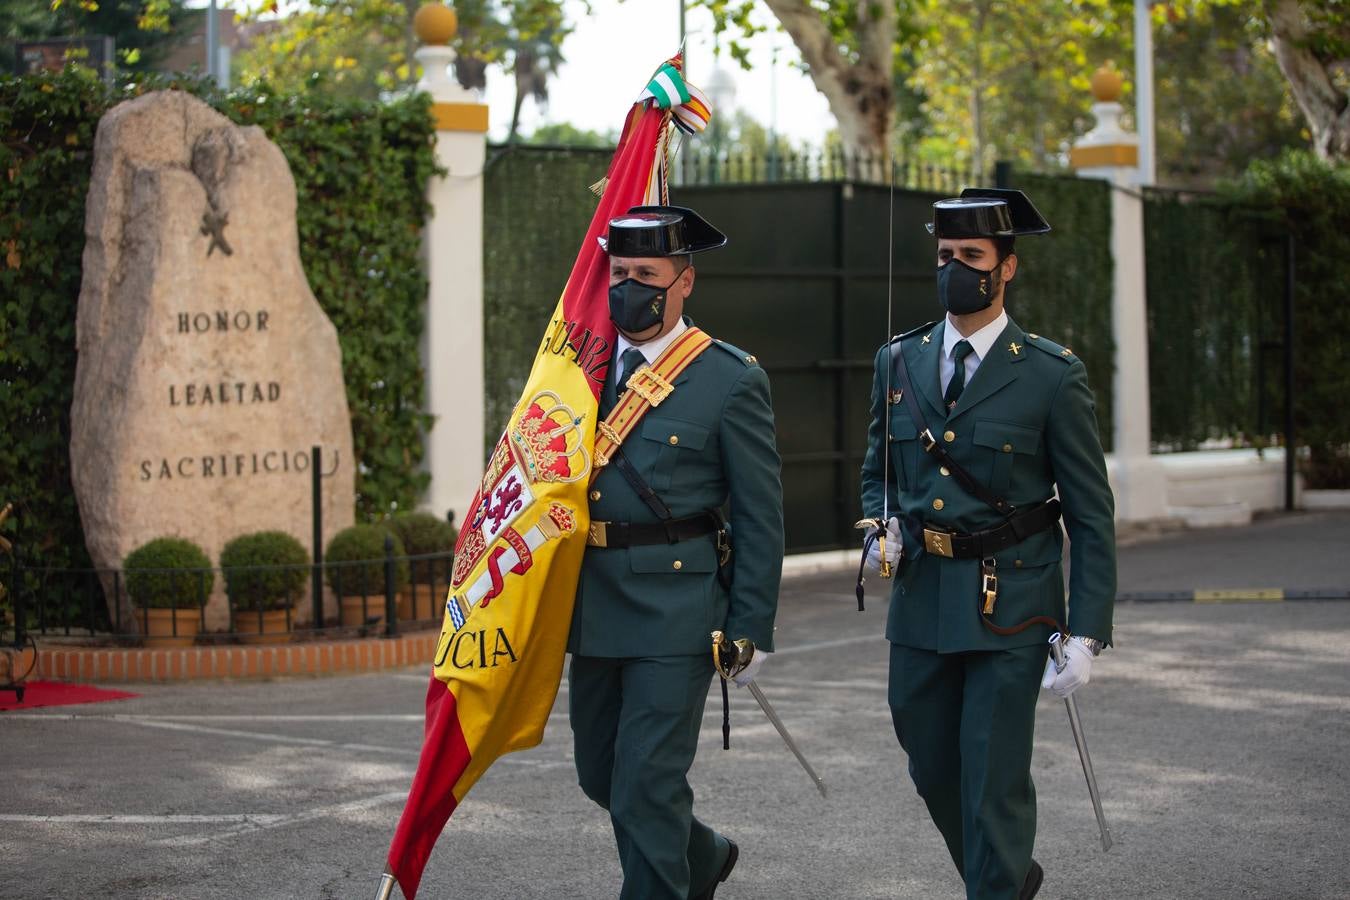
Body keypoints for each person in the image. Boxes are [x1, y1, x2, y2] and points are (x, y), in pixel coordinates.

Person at [859, 188, 1116, 900]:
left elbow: (1090, 513)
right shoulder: (898, 362)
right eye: (945, 256)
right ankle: (1004, 871)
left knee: (992, 779)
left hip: (1013, 604)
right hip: (920, 603)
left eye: (971, 257)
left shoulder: (1049, 374)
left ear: (1007, 269)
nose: (955, 270)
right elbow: (877, 471)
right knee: (930, 764)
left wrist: (1087, 632)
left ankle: (995, 883)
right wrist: (882, 525)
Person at [568, 205, 785, 899]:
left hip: (677, 610)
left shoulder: (728, 379)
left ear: (684, 281)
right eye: (621, 273)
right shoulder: (580, 368)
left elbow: (760, 514)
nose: (629, 287)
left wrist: (749, 626)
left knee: (646, 784)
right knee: (601, 775)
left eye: (647, 275)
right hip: (592, 604)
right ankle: (702, 855)